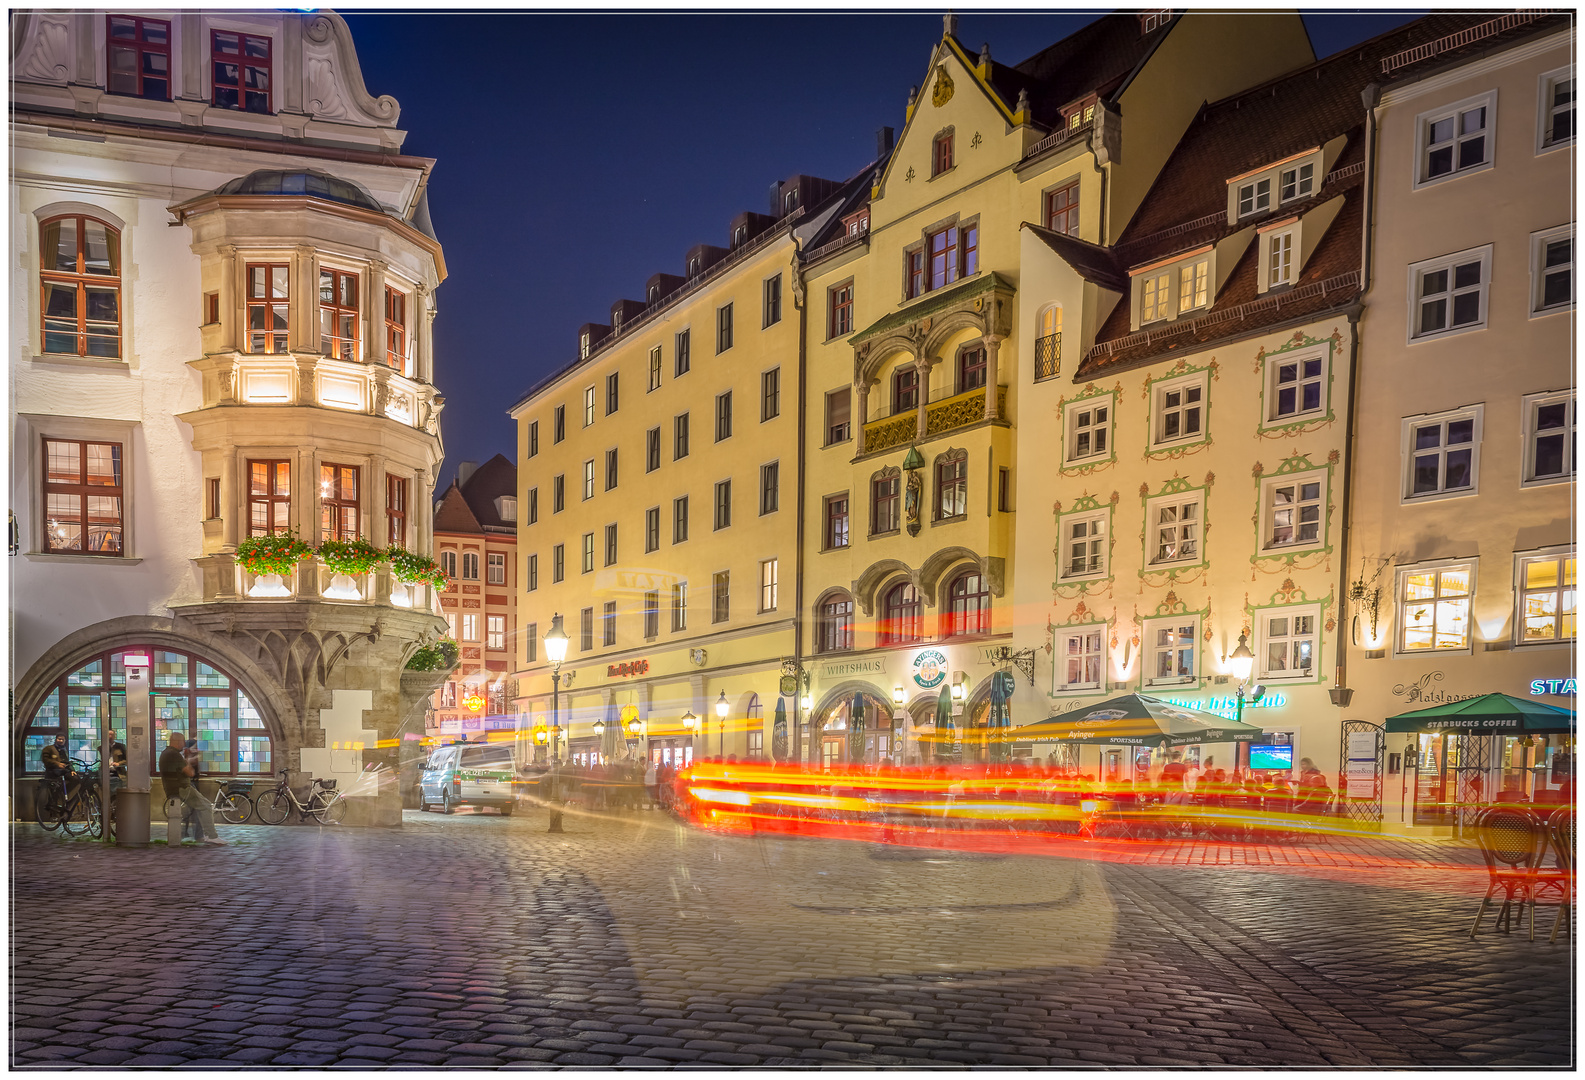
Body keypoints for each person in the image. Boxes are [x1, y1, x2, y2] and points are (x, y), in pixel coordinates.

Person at [159, 732, 226, 845]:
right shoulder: (174, 755)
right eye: (182, 741)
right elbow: (190, 772)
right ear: (177, 742)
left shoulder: (165, 753)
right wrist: (187, 761)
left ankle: (201, 834)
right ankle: (211, 835)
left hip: (173, 788)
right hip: (182, 788)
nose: (184, 744)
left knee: (198, 808)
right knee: (206, 806)